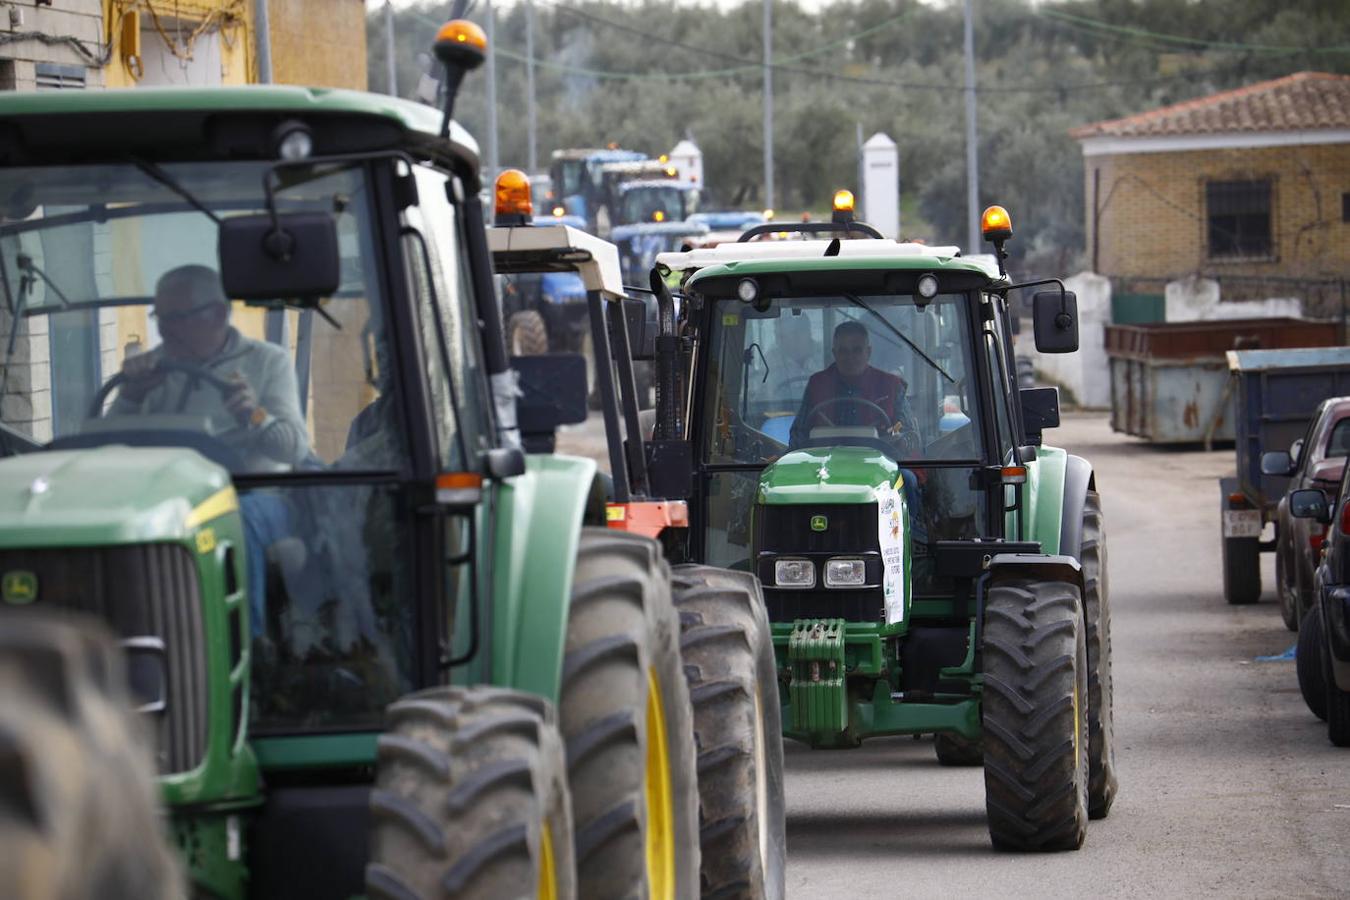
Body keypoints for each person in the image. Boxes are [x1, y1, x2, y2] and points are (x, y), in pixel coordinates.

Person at [111, 264, 310, 472]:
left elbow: (295, 450)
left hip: (248, 491)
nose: (163, 331)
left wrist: (254, 415)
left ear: (218, 314)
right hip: (168, 494)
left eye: (176, 318)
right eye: (159, 319)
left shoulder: (268, 361)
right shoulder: (151, 369)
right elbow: (105, 449)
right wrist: (130, 397)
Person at [789, 319, 919, 452]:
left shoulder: (892, 386)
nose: (850, 357)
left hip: (882, 464)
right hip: (825, 465)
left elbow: (909, 433)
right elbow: (799, 433)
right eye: (843, 351)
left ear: (868, 352)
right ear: (834, 353)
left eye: (857, 350)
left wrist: (900, 441)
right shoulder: (816, 385)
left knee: (907, 474)